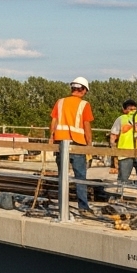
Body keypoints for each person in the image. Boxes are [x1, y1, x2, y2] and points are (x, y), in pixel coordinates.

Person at [50, 77, 95, 212]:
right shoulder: (84, 105)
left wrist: (51, 138)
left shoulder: (60, 102)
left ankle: (62, 205)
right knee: (80, 177)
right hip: (77, 144)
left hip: (60, 142)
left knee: (62, 175)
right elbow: (86, 125)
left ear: (72, 89)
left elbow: (54, 121)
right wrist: (89, 144)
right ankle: (83, 207)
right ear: (83, 90)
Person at [107, 99, 137, 209]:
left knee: (123, 180)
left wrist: (112, 149)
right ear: (136, 107)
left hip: (125, 153)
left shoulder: (121, 119)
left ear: (124, 109)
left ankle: (120, 202)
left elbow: (113, 135)